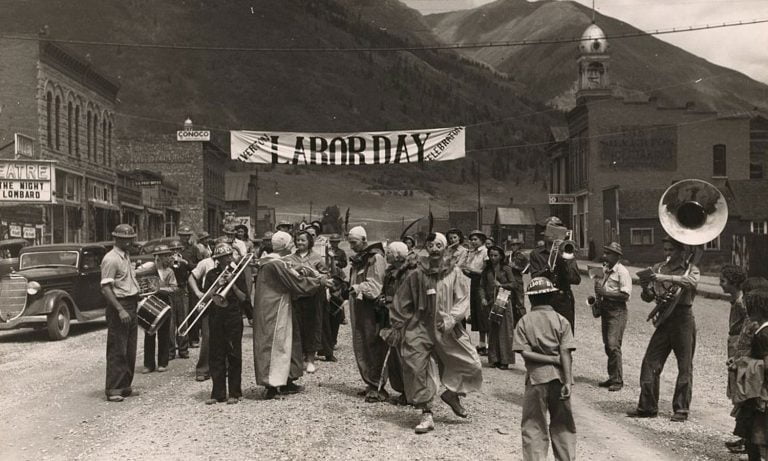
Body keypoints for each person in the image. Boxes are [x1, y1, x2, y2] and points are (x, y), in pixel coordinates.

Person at [385, 232, 483, 434]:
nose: (435, 249)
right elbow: (402, 300)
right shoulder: (417, 274)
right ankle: (426, 413)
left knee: (470, 363)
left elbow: (463, 299)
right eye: (431, 245)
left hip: (446, 327)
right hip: (419, 327)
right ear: (426, 248)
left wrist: (451, 319)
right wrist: (397, 324)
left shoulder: (455, 272)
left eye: (439, 245)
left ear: (445, 247)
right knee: (415, 366)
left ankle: (452, 394)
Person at [628, 236, 700, 422]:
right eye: (665, 250)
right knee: (650, 362)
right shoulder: (658, 268)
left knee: (684, 366)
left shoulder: (690, 269)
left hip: (683, 318)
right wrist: (646, 289)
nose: (667, 254)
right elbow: (649, 297)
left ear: (681, 251)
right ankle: (647, 406)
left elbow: (690, 283)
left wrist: (665, 277)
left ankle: (681, 409)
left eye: (671, 250)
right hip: (665, 320)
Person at [252, 231, 332, 399]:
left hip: (279, 307)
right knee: (275, 346)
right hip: (274, 310)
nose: (292, 246)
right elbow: (296, 283)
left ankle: (287, 380)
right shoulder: (275, 264)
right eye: (290, 243)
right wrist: (320, 281)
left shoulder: (272, 262)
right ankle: (272, 386)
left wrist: (296, 268)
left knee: (288, 342)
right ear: (285, 245)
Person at [512, 277, 576, 461]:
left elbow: (524, 353)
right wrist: (568, 381)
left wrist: (548, 359)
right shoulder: (561, 320)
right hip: (559, 378)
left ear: (531, 299)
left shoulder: (524, 321)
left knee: (533, 424)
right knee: (563, 424)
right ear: (551, 297)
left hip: (536, 379)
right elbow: (566, 353)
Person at [197, 243, 247, 405]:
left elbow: (244, 298)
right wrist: (218, 284)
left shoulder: (238, 273)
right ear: (217, 260)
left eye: (227, 257)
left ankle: (234, 392)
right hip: (216, 316)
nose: (226, 260)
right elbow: (207, 297)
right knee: (216, 354)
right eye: (221, 258)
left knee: (234, 354)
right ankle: (217, 393)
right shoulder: (212, 274)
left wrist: (232, 284)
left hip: (233, 316)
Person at [347, 226, 390, 402]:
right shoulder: (359, 259)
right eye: (349, 243)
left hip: (371, 308)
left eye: (354, 242)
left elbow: (376, 285)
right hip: (358, 304)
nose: (351, 246)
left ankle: (378, 385)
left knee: (373, 343)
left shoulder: (375, 258)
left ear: (364, 240)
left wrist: (358, 287)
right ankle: (369, 382)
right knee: (361, 342)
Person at [101, 224, 141, 402]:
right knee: (118, 348)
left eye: (130, 238)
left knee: (130, 349)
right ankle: (114, 388)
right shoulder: (111, 259)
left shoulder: (126, 256)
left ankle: (125, 385)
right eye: (125, 238)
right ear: (116, 239)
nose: (129, 241)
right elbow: (106, 288)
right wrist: (120, 309)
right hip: (120, 306)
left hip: (131, 304)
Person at [731, 289, 768, 460]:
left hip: (759, 391)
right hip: (759, 388)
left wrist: (744, 364)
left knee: (756, 433)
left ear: (757, 310)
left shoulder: (763, 335)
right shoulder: (761, 330)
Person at [283, 230, 326, 374]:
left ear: (310, 242)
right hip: (296, 297)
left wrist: (314, 274)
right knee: (297, 327)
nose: (300, 243)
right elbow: (285, 273)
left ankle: (311, 360)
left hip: (312, 297)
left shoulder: (317, 257)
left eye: (303, 240)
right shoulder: (289, 258)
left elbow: (324, 276)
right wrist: (296, 269)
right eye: (298, 240)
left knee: (312, 327)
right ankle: (298, 359)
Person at [528, 217, 581, 334]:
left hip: (563, 299)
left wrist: (564, 261)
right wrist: (550, 265)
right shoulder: (536, 254)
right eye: (552, 228)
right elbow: (535, 278)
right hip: (544, 299)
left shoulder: (567, 252)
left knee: (565, 336)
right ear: (544, 233)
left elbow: (576, 279)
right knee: (544, 335)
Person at [378, 241, 413, 405]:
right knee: (396, 356)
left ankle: (410, 392)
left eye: (390, 253)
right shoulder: (391, 271)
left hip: (404, 319)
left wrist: (391, 299)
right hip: (392, 314)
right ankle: (404, 390)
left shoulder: (408, 273)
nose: (387, 255)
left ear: (398, 255)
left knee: (404, 356)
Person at [594, 242, 631, 392]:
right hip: (606, 308)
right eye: (605, 253)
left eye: (608, 253)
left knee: (613, 344)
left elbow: (625, 295)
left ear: (617, 256)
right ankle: (612, 376)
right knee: (607, 345)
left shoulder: (623, 272)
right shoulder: (606, 270)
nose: (605, 256)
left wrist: (605, 293)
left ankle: (617, 380)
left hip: (617, 310)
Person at [480, 245, 519, 369]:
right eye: (491, 255)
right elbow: (481, 286)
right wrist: (483, 298)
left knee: (505, 330)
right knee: (493, 330)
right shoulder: (487, 270)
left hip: (504, 300)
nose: (493, 258)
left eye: (495, 255)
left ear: (501, 256)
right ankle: (494, 358)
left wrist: (501, 285)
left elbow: (514, 284)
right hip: (491, 301)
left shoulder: (506, 268)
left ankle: (505, 359)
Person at [141, 244, 178, 374]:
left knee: (164, 334)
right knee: (149, 333)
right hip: (150, 303)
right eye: (165, 256)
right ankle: (148, 364)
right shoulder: (148, 268)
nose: (169, 258)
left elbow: (174, 288)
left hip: (164, 302)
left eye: (168, 255)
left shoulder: (170, 271)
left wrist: (160, 289)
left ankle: (163, 362)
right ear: (158, 257)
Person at [188, 250, 217, 382]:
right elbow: (191, 277)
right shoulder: (205, 263)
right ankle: (203, 369)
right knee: (207, 336)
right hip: (209, 301)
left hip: (225, 302)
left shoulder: (232, 263)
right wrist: (198, 293)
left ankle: (222, 367)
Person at [460, 230, 489, 355]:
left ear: (482, 240)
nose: (472, 242)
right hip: (475, 283)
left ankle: (487, 344)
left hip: (484, 284)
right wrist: (465, 270)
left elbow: (485, 272)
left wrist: (470, 269)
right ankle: (482, 343)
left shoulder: (486, 252)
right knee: (477, 312)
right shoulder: (473, 253)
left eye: (475, 239)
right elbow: (472, 272)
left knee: (483, 313)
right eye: (471, 239)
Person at [320, 233, 348, 361]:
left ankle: (331, 342)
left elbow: (344, 264)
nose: (334, 243)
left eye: (336, 241)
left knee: (336, 305)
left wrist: (335, 262)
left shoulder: (341, 252)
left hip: (336, 276)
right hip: (325, 277)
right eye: (333, 241)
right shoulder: (322, 250)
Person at [178, 225, 202, 349]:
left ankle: (194, 338)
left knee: (193, 310)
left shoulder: (194, 249)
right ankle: (181, 340)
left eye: (187, 235)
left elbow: (199, 266)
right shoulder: (176, 249)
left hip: (191, 281)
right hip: (179, 282)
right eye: (182, 235)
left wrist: (187, 264)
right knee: (181, 312)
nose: (185, 238)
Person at [167, 238, 191, 360]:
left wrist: (184, 262)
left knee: (183, 322)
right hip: (170, 292)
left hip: (182, 291)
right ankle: (170, 351)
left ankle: (183, 349)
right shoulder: (166, 260)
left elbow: (193, 269)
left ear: (181, 249)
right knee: (170, 324)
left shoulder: (185, 258)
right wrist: (168, 264)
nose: (175, 251)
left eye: (177, 249)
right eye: (172, 250)